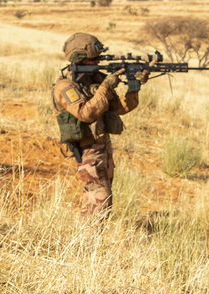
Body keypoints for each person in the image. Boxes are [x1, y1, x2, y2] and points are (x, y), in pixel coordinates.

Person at [51, 33, 150, 218]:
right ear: (79, 59)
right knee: (100, 198)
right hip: (87, 148)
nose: (99, 61)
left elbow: (120, 107)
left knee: (95, 198)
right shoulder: (65, 86)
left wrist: (134, 86)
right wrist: (106, 86)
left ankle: (84, 242)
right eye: (94, 59)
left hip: (102, 147)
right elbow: (86, 113)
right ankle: (88, 243)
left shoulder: (94, 80)